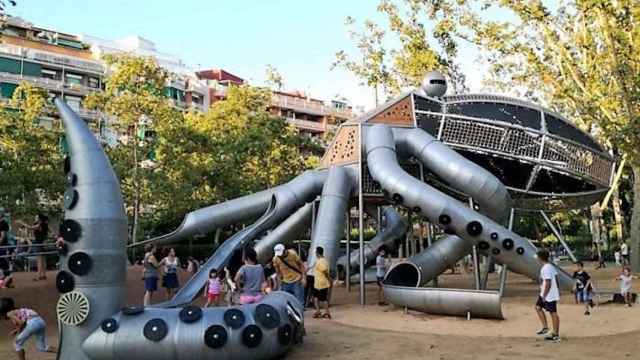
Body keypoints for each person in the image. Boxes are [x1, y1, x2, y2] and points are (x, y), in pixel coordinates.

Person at [534, 249, 561, 342]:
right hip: (546, 293)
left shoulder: (546, 268)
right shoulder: (550, 266)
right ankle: (545, 327)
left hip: (549, 294)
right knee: (538, 307)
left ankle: (556, 334)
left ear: (540, 258)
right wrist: (557, 289)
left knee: (553, 312)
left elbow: (548, 282)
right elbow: (556, 278)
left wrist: (544, 295)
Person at [27, 214, 48, 281]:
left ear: (39, 219)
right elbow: (50, 232)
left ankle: (38, 276)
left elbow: (30, 227)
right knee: (43, 260)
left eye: (36, 217)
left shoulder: (39, 225)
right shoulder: (45, 224)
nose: (35, 218)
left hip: (39, 243)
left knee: (39, 260)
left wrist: (21, 222)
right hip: (42, 243)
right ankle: (44, 275)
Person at [312, 246, 332, 319]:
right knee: (316, 297)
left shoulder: (321, 261)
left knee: (322, 299)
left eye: (316, 252)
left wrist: (329, 279)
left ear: (317, 253)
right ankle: (319, 311)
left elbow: (324, 271)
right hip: (318, 283)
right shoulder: (323, 260)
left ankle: (326, 312)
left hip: (321, 283)